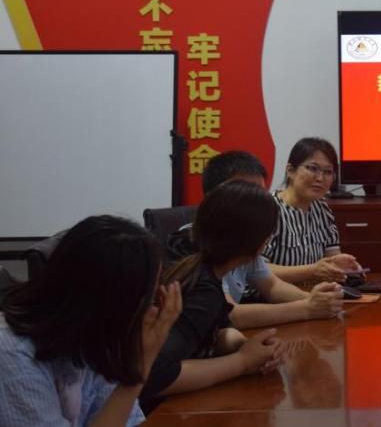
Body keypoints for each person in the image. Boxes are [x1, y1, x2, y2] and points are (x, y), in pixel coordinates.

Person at [0, 215, 181, 426]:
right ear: (113, 303)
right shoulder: (13, 355)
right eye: (149, 298)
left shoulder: (95, 339)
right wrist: (138, 368)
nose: (153, 309)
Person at [140, 180, 285, 412]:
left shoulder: (185, 250)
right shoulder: (203, 290)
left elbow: (209, 330)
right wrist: (242, 362)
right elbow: (154, 375)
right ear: (260, 243)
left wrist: (243, 346)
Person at [167, 151, 344, 327]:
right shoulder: (192, 244)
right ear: (214, 198)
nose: (258, 204)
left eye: (260, 194)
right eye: (246, 194)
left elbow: (272, 286)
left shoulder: (243, 240)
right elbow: (227, 314)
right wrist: (306, 308)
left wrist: (318, 300)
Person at [263, 137, 360, 285]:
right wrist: (312, 271)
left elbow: (332, 257)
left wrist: (343, 267)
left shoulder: (322, 209)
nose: (320, 178)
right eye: (313, 169)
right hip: (269, 297)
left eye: (328, 172)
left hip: (313, 295)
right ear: (290, 171)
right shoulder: (268, 210)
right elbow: (257, 271)